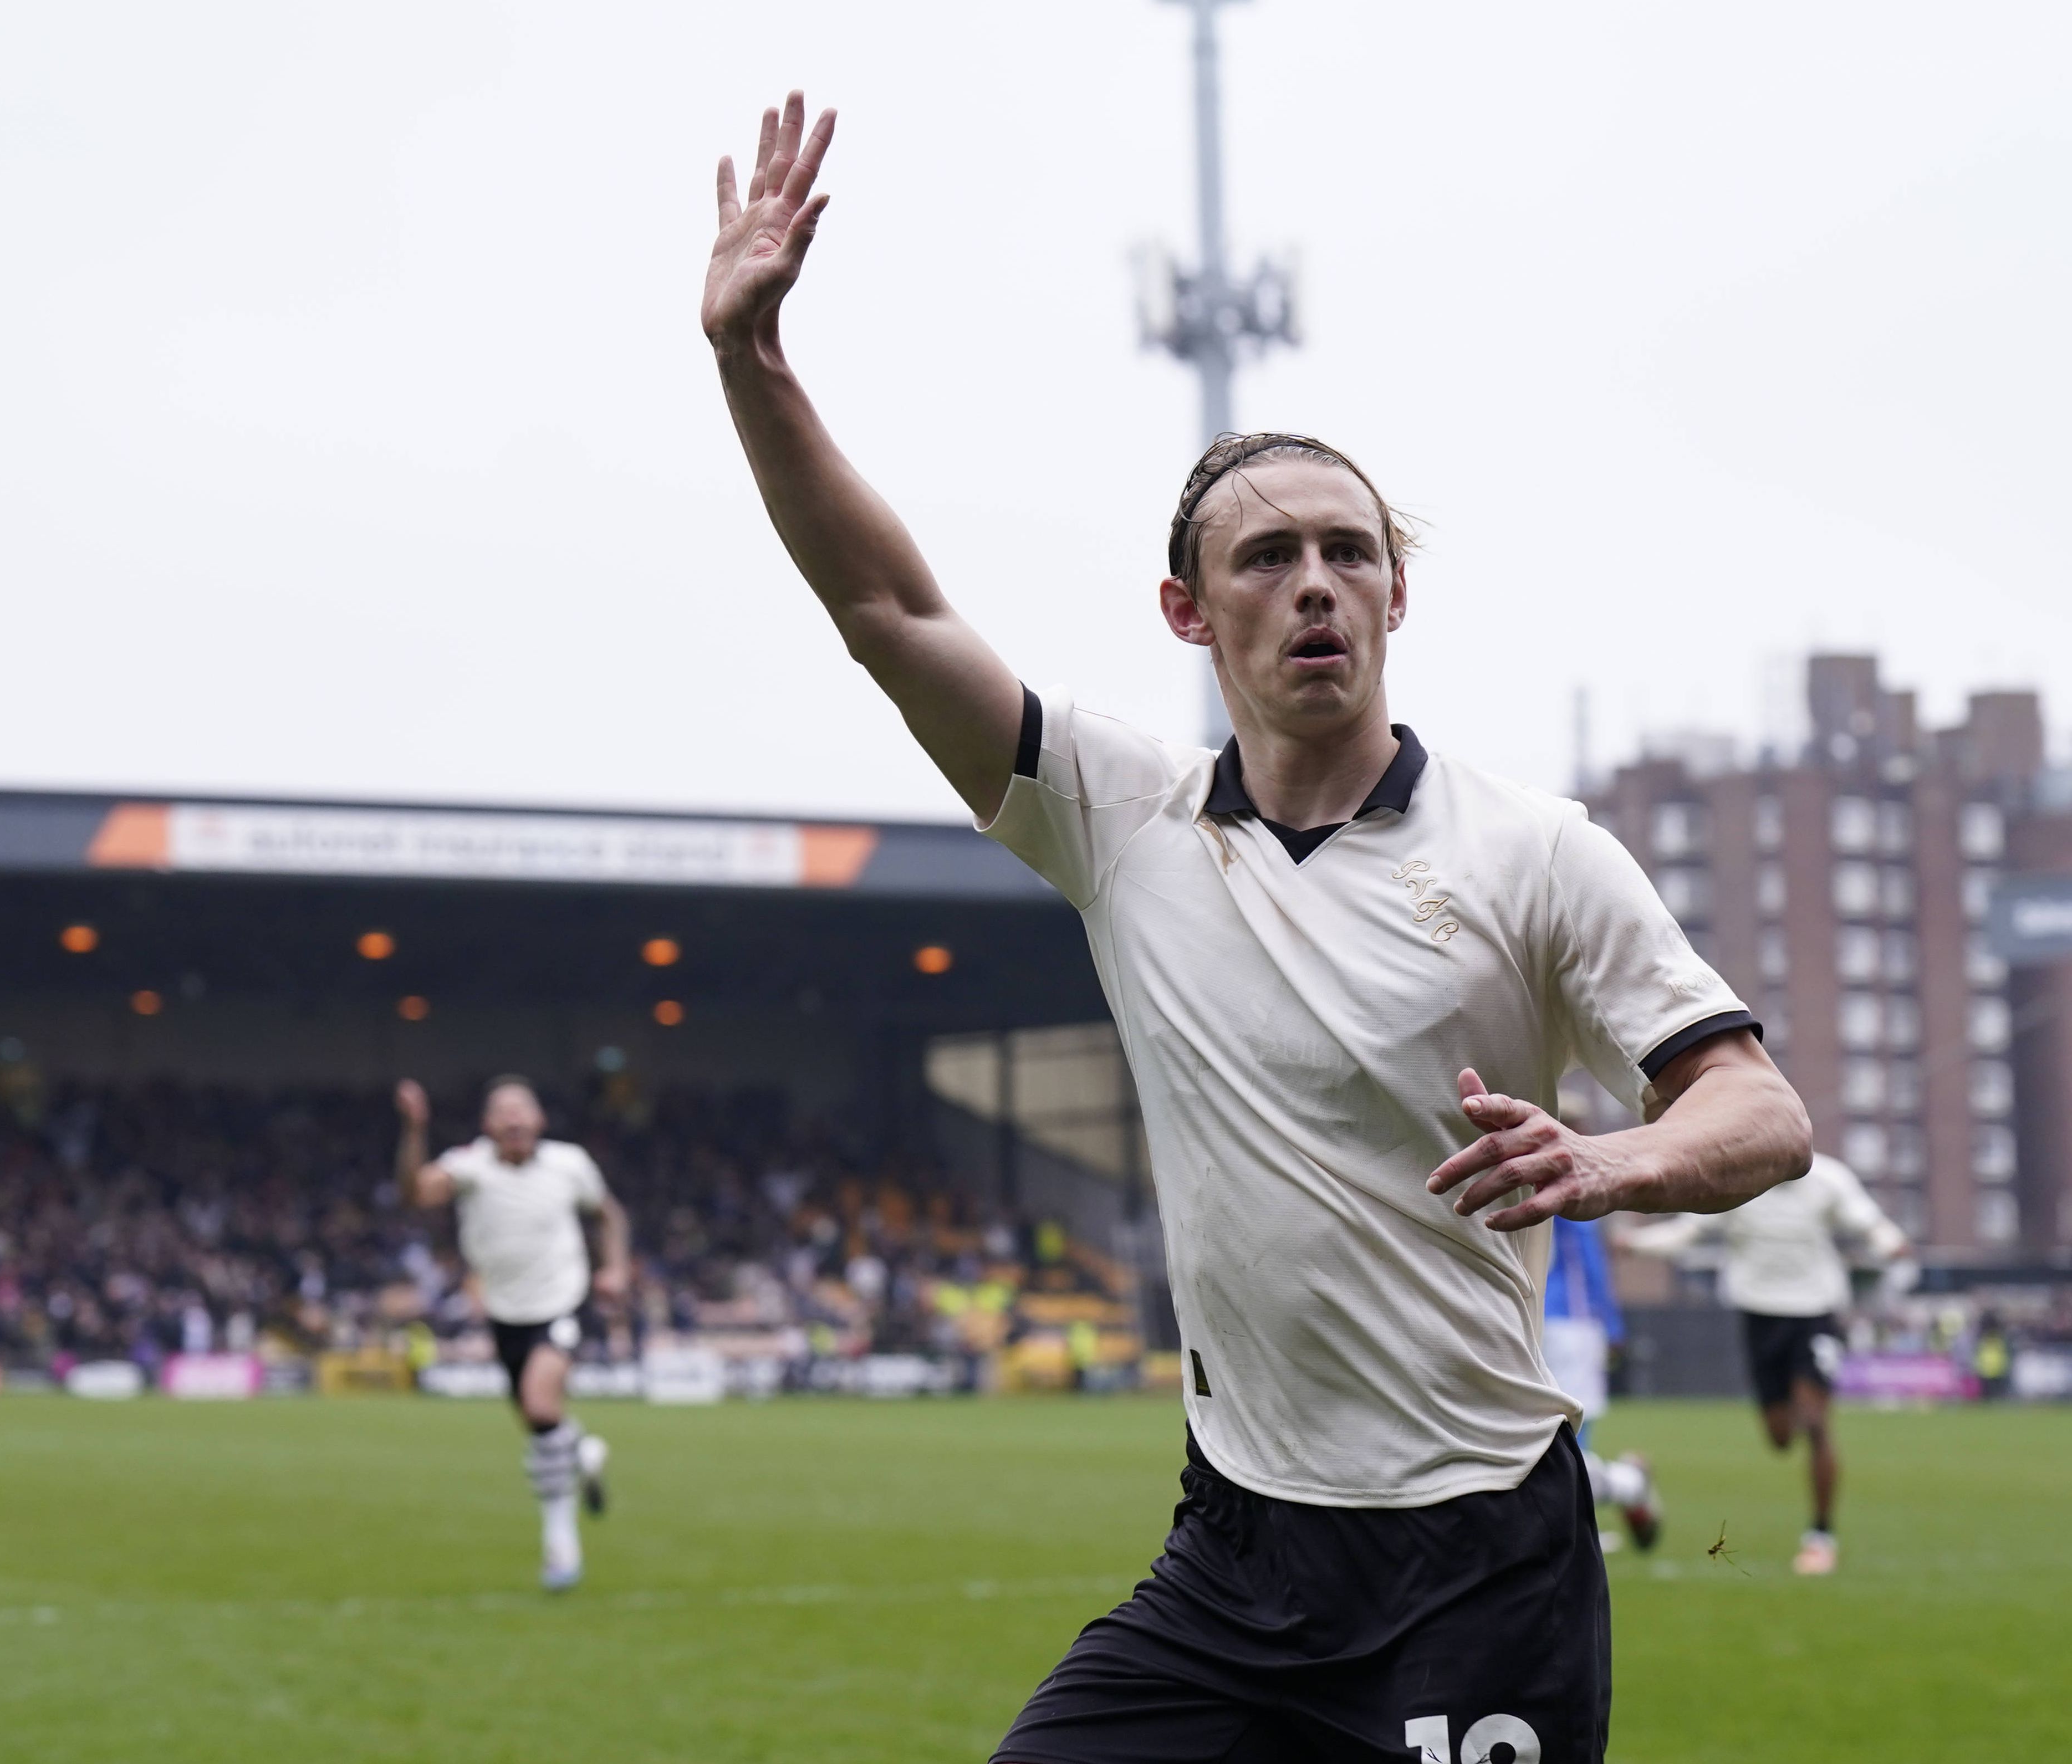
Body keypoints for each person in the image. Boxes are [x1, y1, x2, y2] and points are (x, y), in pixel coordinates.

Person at [702, 91, 1813, 1762]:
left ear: (1394, 597)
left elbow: (1758, 1110)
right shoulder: (1121, 817)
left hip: (1475, 1551)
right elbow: (885, 607)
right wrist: (753, 359)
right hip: (1232, 1558)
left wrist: (1610, 1163)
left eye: (1348, 553)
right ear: (1187, 608)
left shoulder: (1531, 851)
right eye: (1269, 554)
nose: (1314, 582)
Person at [1622, 1152, 1912, 1576]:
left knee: (1815, 1421)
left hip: (1816, 1311)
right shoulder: (1735, 1181)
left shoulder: (1829, 1180)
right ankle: (1793, 1404)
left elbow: (1868, 1221)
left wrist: (1890, 1244)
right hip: (1759, 1315)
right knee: (1780, 1438)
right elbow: (1690, 1231)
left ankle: (1820, 1535)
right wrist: (1634, 1243)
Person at [395, 1076, 630, 1592]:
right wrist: (414, 1131)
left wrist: (615, 1268)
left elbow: (610, 1213)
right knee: (538, 1426)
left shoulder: (570, 1164)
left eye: (524, 1109)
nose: (515, 1119)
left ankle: (560, 1544)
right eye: (503, 1111)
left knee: (541, 1405)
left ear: (541, 1120)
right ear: (488, 1125)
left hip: (565, 1302)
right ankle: (581, 1452)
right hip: (506, 1314)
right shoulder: (470, 1166)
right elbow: (415, 1193)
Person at [1543, 1214, 1663, 1551]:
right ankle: (1627, 1484)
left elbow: (1587, 1256)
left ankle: (1580, 1523)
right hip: (1534, 1321)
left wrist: (1609, 1322)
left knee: (1567, 1436)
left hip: (1570, 1323)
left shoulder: (1560, 1183)